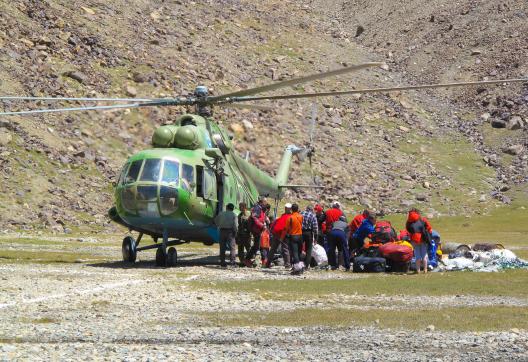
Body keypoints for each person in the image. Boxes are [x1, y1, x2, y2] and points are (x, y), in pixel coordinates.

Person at [265, 204, 292, 269]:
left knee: (273, 249)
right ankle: (287, 265)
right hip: (283, 234)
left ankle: (267, 264)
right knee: (285, 249)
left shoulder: (282, 216)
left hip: (276, 233)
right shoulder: (290, 216)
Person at [406, 208, 432, 274]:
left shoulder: (409, 221)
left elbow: (408, 230)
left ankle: (418, 270)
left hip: (414, 240)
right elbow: (429, 227)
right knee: (424, 255)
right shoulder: (422, 220)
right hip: (423, 239)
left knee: (417, 255)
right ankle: (425, 269)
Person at [244, 196, 267, 267]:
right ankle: (247, 259)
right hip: (256, 229)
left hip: (258, 229)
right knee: (257, 246)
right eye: (265, 202)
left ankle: (263, 261)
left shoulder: (260, 208)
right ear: (261, 202)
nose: (266, 203)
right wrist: (262, 225)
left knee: (259, 245)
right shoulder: (257, 208)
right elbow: (255, 218)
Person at [214, 203, 238, 267]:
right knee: (232, 247)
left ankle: (222, 262)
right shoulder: (234, 215)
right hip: (230, 232)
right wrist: (235, 232)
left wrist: (219, 226)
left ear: (227, 207)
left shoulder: (221, 213)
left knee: (222, 247)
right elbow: (235, 225)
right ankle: (232, 262)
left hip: (222, 231)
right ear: (232, 209)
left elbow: (216, 221)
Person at [285, 203, 304, 274]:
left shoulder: (290, 217)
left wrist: (282, 237)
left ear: (291, 209)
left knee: (295, 253)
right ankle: (301, 267)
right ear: (297, 208)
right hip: (300, 235)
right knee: (299, 252)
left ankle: (297, 269)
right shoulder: (301, 216)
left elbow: (286, 228)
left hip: (293, 236)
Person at [300, 205, 318, 270]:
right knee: (308, 250)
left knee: (299, 248)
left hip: (301, 232)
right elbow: (315, 228)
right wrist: (316, 238)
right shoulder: (313, 216)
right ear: (311, 210)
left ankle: (298, 263)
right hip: (309, 233)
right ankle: (306, 266)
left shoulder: (301, 213)